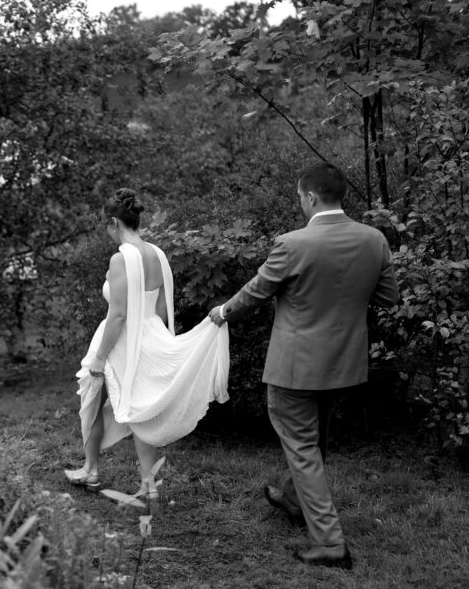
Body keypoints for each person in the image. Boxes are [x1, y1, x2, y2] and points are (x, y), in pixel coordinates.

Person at [209, 162, 399, 569]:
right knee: (315, 442)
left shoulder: (292, 244)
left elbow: (256, 293)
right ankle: (294, 500)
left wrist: (223, 311)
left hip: (294, 369)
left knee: (303, 448)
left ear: (311, 197)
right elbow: (388, 298)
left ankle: (331, 544)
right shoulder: (375, 239)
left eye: (299, 197)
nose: (300, 203)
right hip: (344, 365)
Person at [65, 188, 230, 500]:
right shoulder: (158, 254)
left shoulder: (120, 259)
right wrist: (152, 338)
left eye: (106, 225)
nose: (106, 231)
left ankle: (91, 471)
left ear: (114, 222)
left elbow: (118, 316)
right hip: (151, 334)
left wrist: (100, 358)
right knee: (143, 409)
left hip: (120, 340)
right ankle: (148, 486)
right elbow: (161, 307)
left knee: (93, 403)